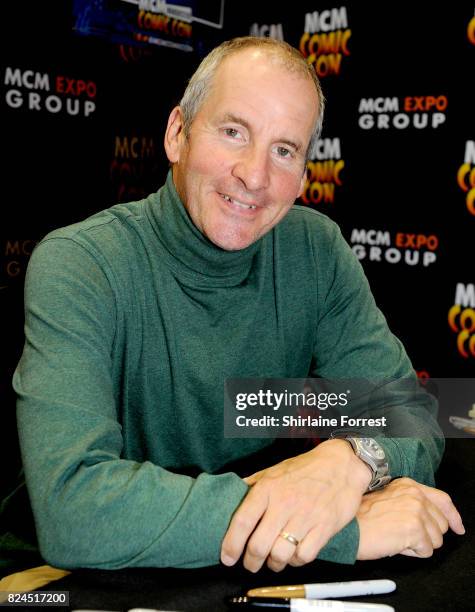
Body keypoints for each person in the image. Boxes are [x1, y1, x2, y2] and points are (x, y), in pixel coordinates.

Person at [12, 36, 464, 574]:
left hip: (233, 574)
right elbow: (76, 513)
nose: (255, 176)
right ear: (177, 134)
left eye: (284, 150)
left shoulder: (314, 251)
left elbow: (416, 413)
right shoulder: (80, 262)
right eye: (233, 132)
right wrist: (336, 528)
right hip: (76, 583)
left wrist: (348, 463)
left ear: (303, 175)